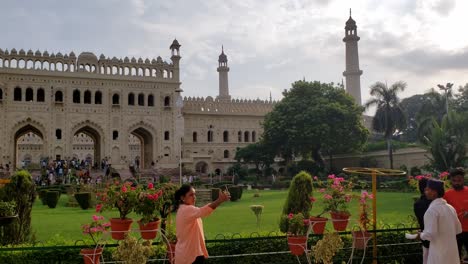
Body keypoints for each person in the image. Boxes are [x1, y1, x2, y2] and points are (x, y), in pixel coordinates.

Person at [174, 184, 230, 264]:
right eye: (191, 195)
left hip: (188, 254)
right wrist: (219, 200)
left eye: (194, 194)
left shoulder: (183, 209)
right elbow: (203, 211)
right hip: (190, 256)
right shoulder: (186, 210)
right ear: (183, 198)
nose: (194, 197)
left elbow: (201, 211)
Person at [419, 179, 461, 264]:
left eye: (427, 189)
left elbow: (430, 235)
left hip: (439, 253)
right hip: (451, 252)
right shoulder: (450, 208)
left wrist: (420, 235)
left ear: (434, 192)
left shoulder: (432, 211)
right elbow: (458, 230)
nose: (426, 192)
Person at [444, 167, 468, 262]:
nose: (457, 183)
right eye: (454, 180)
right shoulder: (447, 194)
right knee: (455, 257)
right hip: (454, 231)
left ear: (463, 179)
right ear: (451, 180)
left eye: (459, 180)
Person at [413, 177, 431, 264]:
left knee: (426, 259)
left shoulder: (417, 204)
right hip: (434, 238)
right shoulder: (432, 203)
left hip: (425, 236)